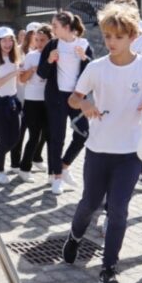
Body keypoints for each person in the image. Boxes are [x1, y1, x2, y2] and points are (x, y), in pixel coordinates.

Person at [60, 4, 142, 283]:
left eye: (117, 36)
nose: (111, 42)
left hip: (130, 154)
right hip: (98, 149)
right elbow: (73, 98)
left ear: (132, 36)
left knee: (118, 210)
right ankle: (75, 237)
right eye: (107, 36)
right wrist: (86, 103)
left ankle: (108, 268)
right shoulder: (96, 68)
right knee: (89, 204)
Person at [38, 11, 94, 195]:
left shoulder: (83, 45)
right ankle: (57, 178)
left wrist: (84, 58)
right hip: (55, 97)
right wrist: (49, 60)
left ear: (67, 28)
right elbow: (41, 73)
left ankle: (64, 166)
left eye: (55, 26)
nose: (52, 29)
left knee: (83, 134)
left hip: (76, 98)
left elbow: (94, 72)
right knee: (57, 137)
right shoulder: (52, 45)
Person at [0, 26, 23, 185]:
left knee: (16, 137)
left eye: (10, 40)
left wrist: (24, 74)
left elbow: (18, 81)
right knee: (3, 139)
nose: (8, 43)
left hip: (13, 101)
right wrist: (13, 74)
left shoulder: (15, 57)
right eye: (4, 40)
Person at [18, 23, 51, 181]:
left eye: (42, 40)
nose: (38, 43)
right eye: (37, 39)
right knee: (34, 135)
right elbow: (22, 80)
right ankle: (24, 168)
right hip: (32, 100)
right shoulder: (31, 56)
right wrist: (33, 70)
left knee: (47, 134)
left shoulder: (56, 55)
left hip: (49, 100)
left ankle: (38, 159)